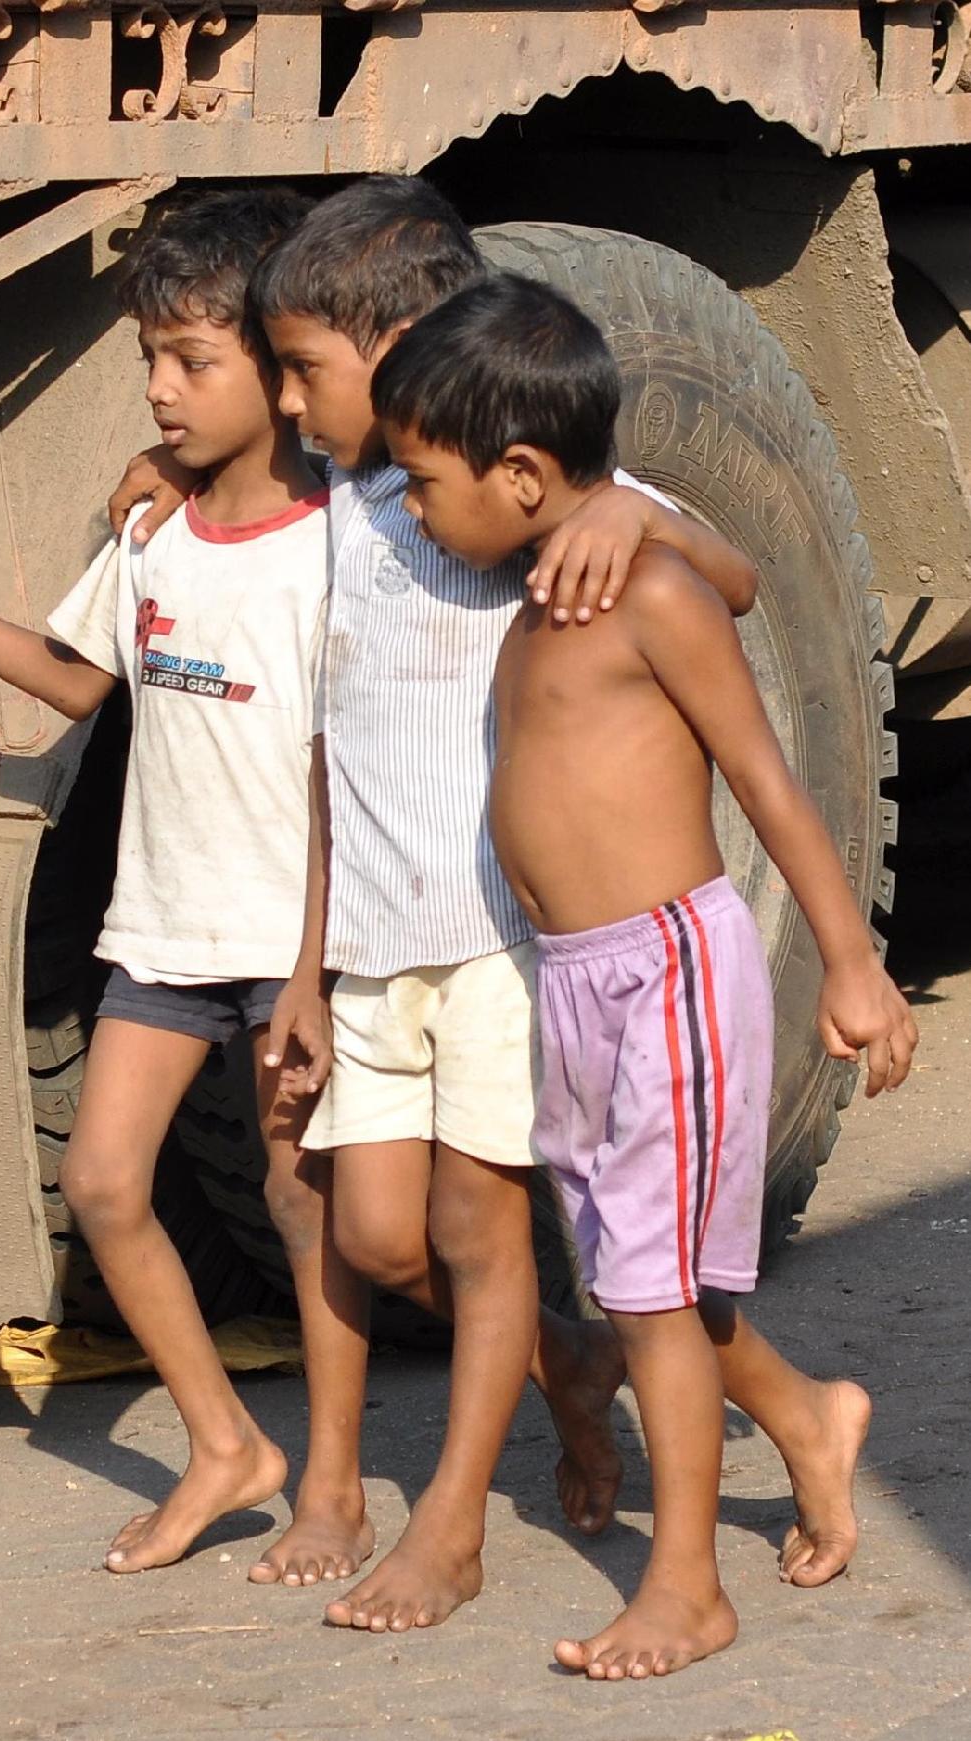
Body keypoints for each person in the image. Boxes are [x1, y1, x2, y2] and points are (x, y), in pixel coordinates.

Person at [107, 175, 764, 1634]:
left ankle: (453, 1528)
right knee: (385, 1242)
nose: (284, 398)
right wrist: (168, 478)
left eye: (304, 371)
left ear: (408, 348)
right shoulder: (345, 499)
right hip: (364, 944)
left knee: (477, 1236)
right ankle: (602, 1370)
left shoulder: (491, 496)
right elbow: (333, 743)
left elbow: (733, 570)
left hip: (490, 942)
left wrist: (631, 529)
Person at [0, 186, 373, 1581]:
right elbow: (75, 680)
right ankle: (226, 1444)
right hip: (164, 931)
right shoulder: (151, 538)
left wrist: (309, 971)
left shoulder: (332, 549)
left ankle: (341, 1487)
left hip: (289, 939)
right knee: (109, 1186)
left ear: (279, 368)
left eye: (194, 362)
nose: (160, 390)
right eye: (149, 360)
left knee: (308, 1206)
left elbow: (330, 773)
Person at [370, 268, 917, 1677]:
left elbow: (769, 782)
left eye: (424, 481)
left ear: (524, 473)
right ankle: (805, 1416)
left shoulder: (642, 583)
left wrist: (850, 963)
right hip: (573, 979)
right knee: (633, 1271)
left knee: (648, 1292)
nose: (411, 509)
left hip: (663, 973)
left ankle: (686, 1583)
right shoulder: (544, 576)